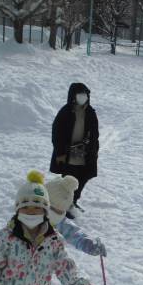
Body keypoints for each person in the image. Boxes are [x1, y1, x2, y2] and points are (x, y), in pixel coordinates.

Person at [50, 83, 100, 218]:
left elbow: (95, 135)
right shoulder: (65, 112)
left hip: (85, 154)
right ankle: (66, 205)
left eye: (85, 95)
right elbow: (57, 133)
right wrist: (60, 152)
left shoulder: (90, 113)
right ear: (73, 96)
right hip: (67, 154)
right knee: (68, 180)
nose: (83, 98)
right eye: (80, 95)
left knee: (83, 178)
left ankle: (73, 201)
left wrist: (94, 151)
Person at [46, 175, 107, 256]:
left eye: (60, 212)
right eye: (53, 209)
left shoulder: (59, 222)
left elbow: (72, 233)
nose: (56, 215)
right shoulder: (26, 217)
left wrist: (89, 245)